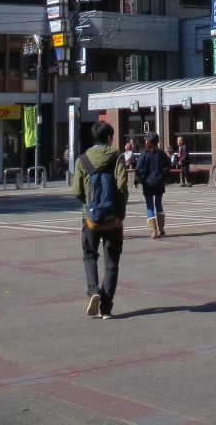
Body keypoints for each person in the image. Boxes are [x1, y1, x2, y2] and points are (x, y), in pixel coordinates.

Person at [73, 120, 128, 319]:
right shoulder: (117, 156)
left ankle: (93, 291)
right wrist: (121, 213)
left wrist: (87, 206)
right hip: (113, 217)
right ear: (109, 138)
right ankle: (106, 308)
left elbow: (77, 191)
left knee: (89, 256)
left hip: (90, 219)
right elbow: (122, 186)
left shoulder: (82, 160)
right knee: (111, 262)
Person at [135, 136, 169, 236]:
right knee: (158, 203)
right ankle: (162, 228)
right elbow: (168, 164)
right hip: (159, 181)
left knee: (149, 206)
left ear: (149, 142)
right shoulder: (161, 153)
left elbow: (138, 168)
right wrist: (163, 174)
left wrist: (137, 179)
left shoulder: (144, 154)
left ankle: (153, 231)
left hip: (147, 183)